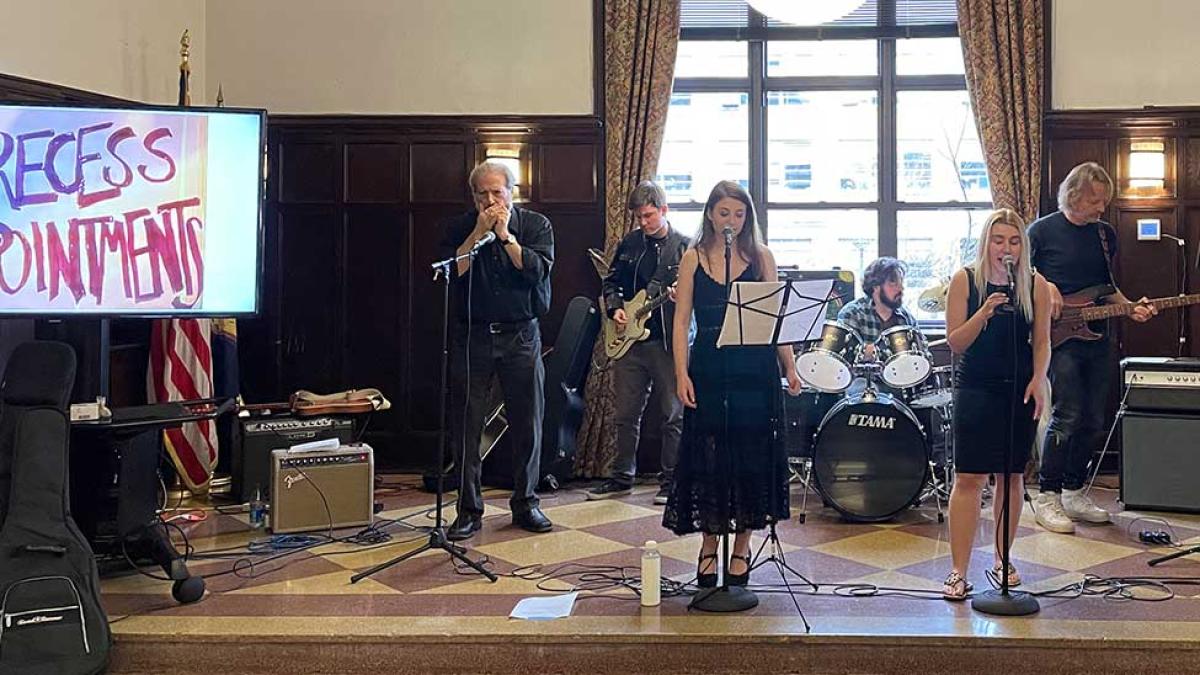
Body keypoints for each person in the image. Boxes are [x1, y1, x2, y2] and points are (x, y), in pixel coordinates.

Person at [662, 180, 803, 588]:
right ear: (710, 215)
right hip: (709, 365)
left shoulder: (762, 257)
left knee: (751, 455)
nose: (732, 222)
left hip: (755, 368)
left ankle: (741, 548)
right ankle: (709, 545)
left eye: (739, 215)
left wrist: (789, 367)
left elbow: (776, 322)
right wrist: (680, 372)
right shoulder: (692, 258)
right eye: (724, 213)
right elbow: (681, 320)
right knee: (711, 456)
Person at [1028, 162, 1157, 534]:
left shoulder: (1105, 234)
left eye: (1104, 201)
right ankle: (1047, 494)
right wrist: (1045, 284)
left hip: (1099, 335)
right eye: (1095, 201)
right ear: (1073, 195)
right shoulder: (1041, 230)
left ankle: (1073, 489)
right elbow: (1020, 275)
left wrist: (1131, 307)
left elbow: (1106, 285)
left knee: (1095, 418)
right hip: (1059, 338)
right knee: (1066, 414)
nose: (1102, 208)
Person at [442, 161, 555, 541]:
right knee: (467, 426)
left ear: (512, 191)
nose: (491, 201)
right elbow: (450, 275)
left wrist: (505, 236)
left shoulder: (536, 225)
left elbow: (536, 271)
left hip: (521, 336)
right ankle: (468, 510)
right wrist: (478, 233)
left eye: (497, 192)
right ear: (473, 196)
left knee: (527, 422)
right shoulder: (461, 227)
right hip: (472, 337)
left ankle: (526, 503)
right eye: (482, 194)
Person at [941, 209, 1050, 601]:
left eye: (1014, 241)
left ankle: (1003, 560)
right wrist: (983, 313)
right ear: (986, 242)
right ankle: (958, 570)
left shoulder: (1036, 285)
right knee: (969, 478)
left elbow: (1041, 341)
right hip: (976, 387)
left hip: (1017, 389)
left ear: (1023, 246)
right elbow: (955, 342)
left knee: (1011, 476)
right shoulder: (965, 281)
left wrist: (1039, 379)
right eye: (999, 240)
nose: (1006, 248)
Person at [588, 181, 691, 505]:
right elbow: (611, 282)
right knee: (625, 414)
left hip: (667, 343)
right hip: (630, 342)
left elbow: (700, 293)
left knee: (673, 414)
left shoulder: (685, 247)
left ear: (664, 210)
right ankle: (621, 477)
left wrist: (681, 295)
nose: (643, 223)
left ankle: (671, 481)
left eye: (648, 216)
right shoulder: (630, 244)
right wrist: (616, 307)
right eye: (639, 218)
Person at [836, 256, 919, 360]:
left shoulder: (906, 317)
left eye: (901, 282)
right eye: (893, 282)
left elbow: (919, 354)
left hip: (902, 374)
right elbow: (842, 357)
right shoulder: (852, 313)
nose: (901, 288)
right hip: (862, 376)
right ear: (875, 286)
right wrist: (871, 351)